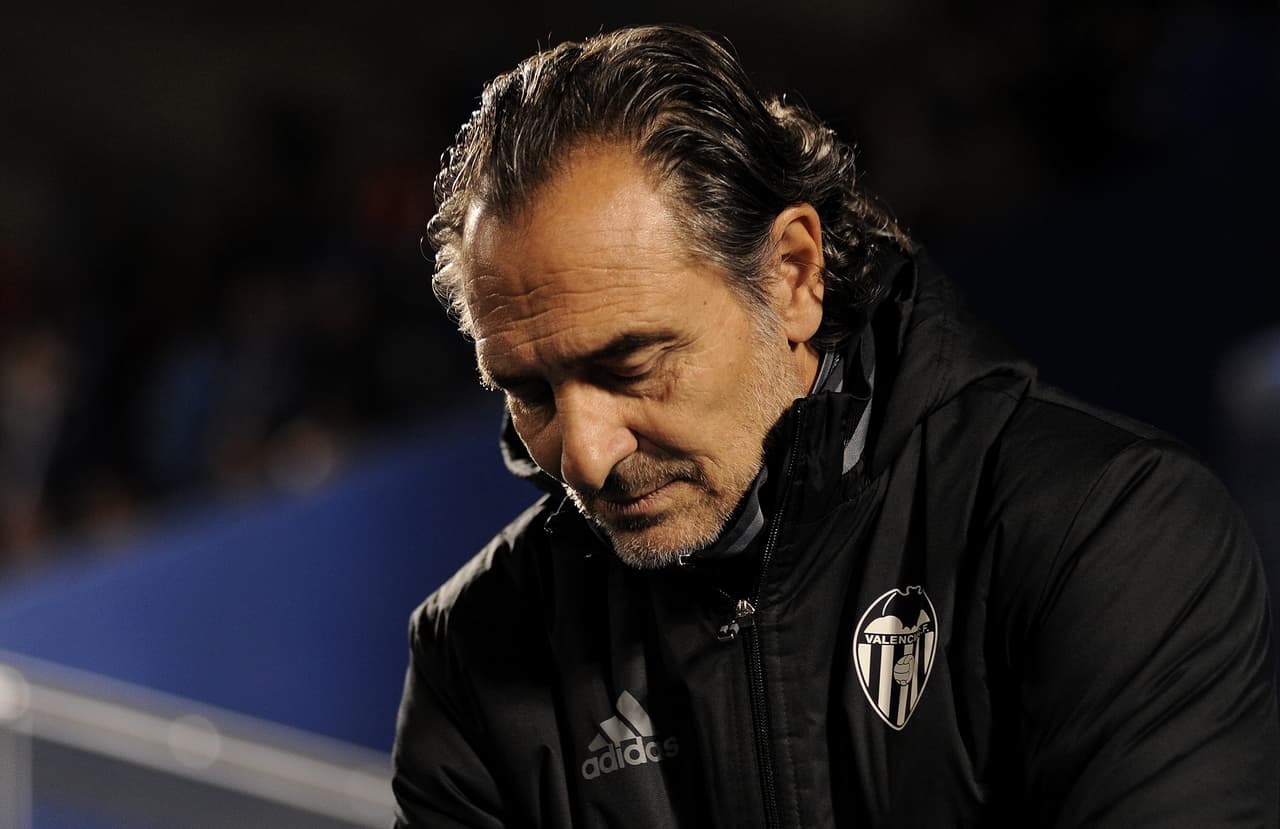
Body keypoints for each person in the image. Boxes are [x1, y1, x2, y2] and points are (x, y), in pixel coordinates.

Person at [392, 24, 1280, 828]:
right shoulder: (475, 648)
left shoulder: (1106, 531)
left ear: (791, 275)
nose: (584, 454)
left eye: (630, 367)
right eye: (530, 393)